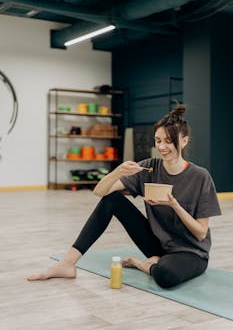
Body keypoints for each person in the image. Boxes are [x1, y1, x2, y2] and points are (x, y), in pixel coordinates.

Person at [27, 104, 222, 288]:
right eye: (158, 140)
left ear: (184, 141)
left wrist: (175, 205)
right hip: (158, 246)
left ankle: (145, 265)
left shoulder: (200, 177)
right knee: (112, 200)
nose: (162, 147)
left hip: (190, 253)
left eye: (169, 141)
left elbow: (200, 233)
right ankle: (67, 264)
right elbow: (99, 192)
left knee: (164, 276)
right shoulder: (148, 167)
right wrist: (118, 171)